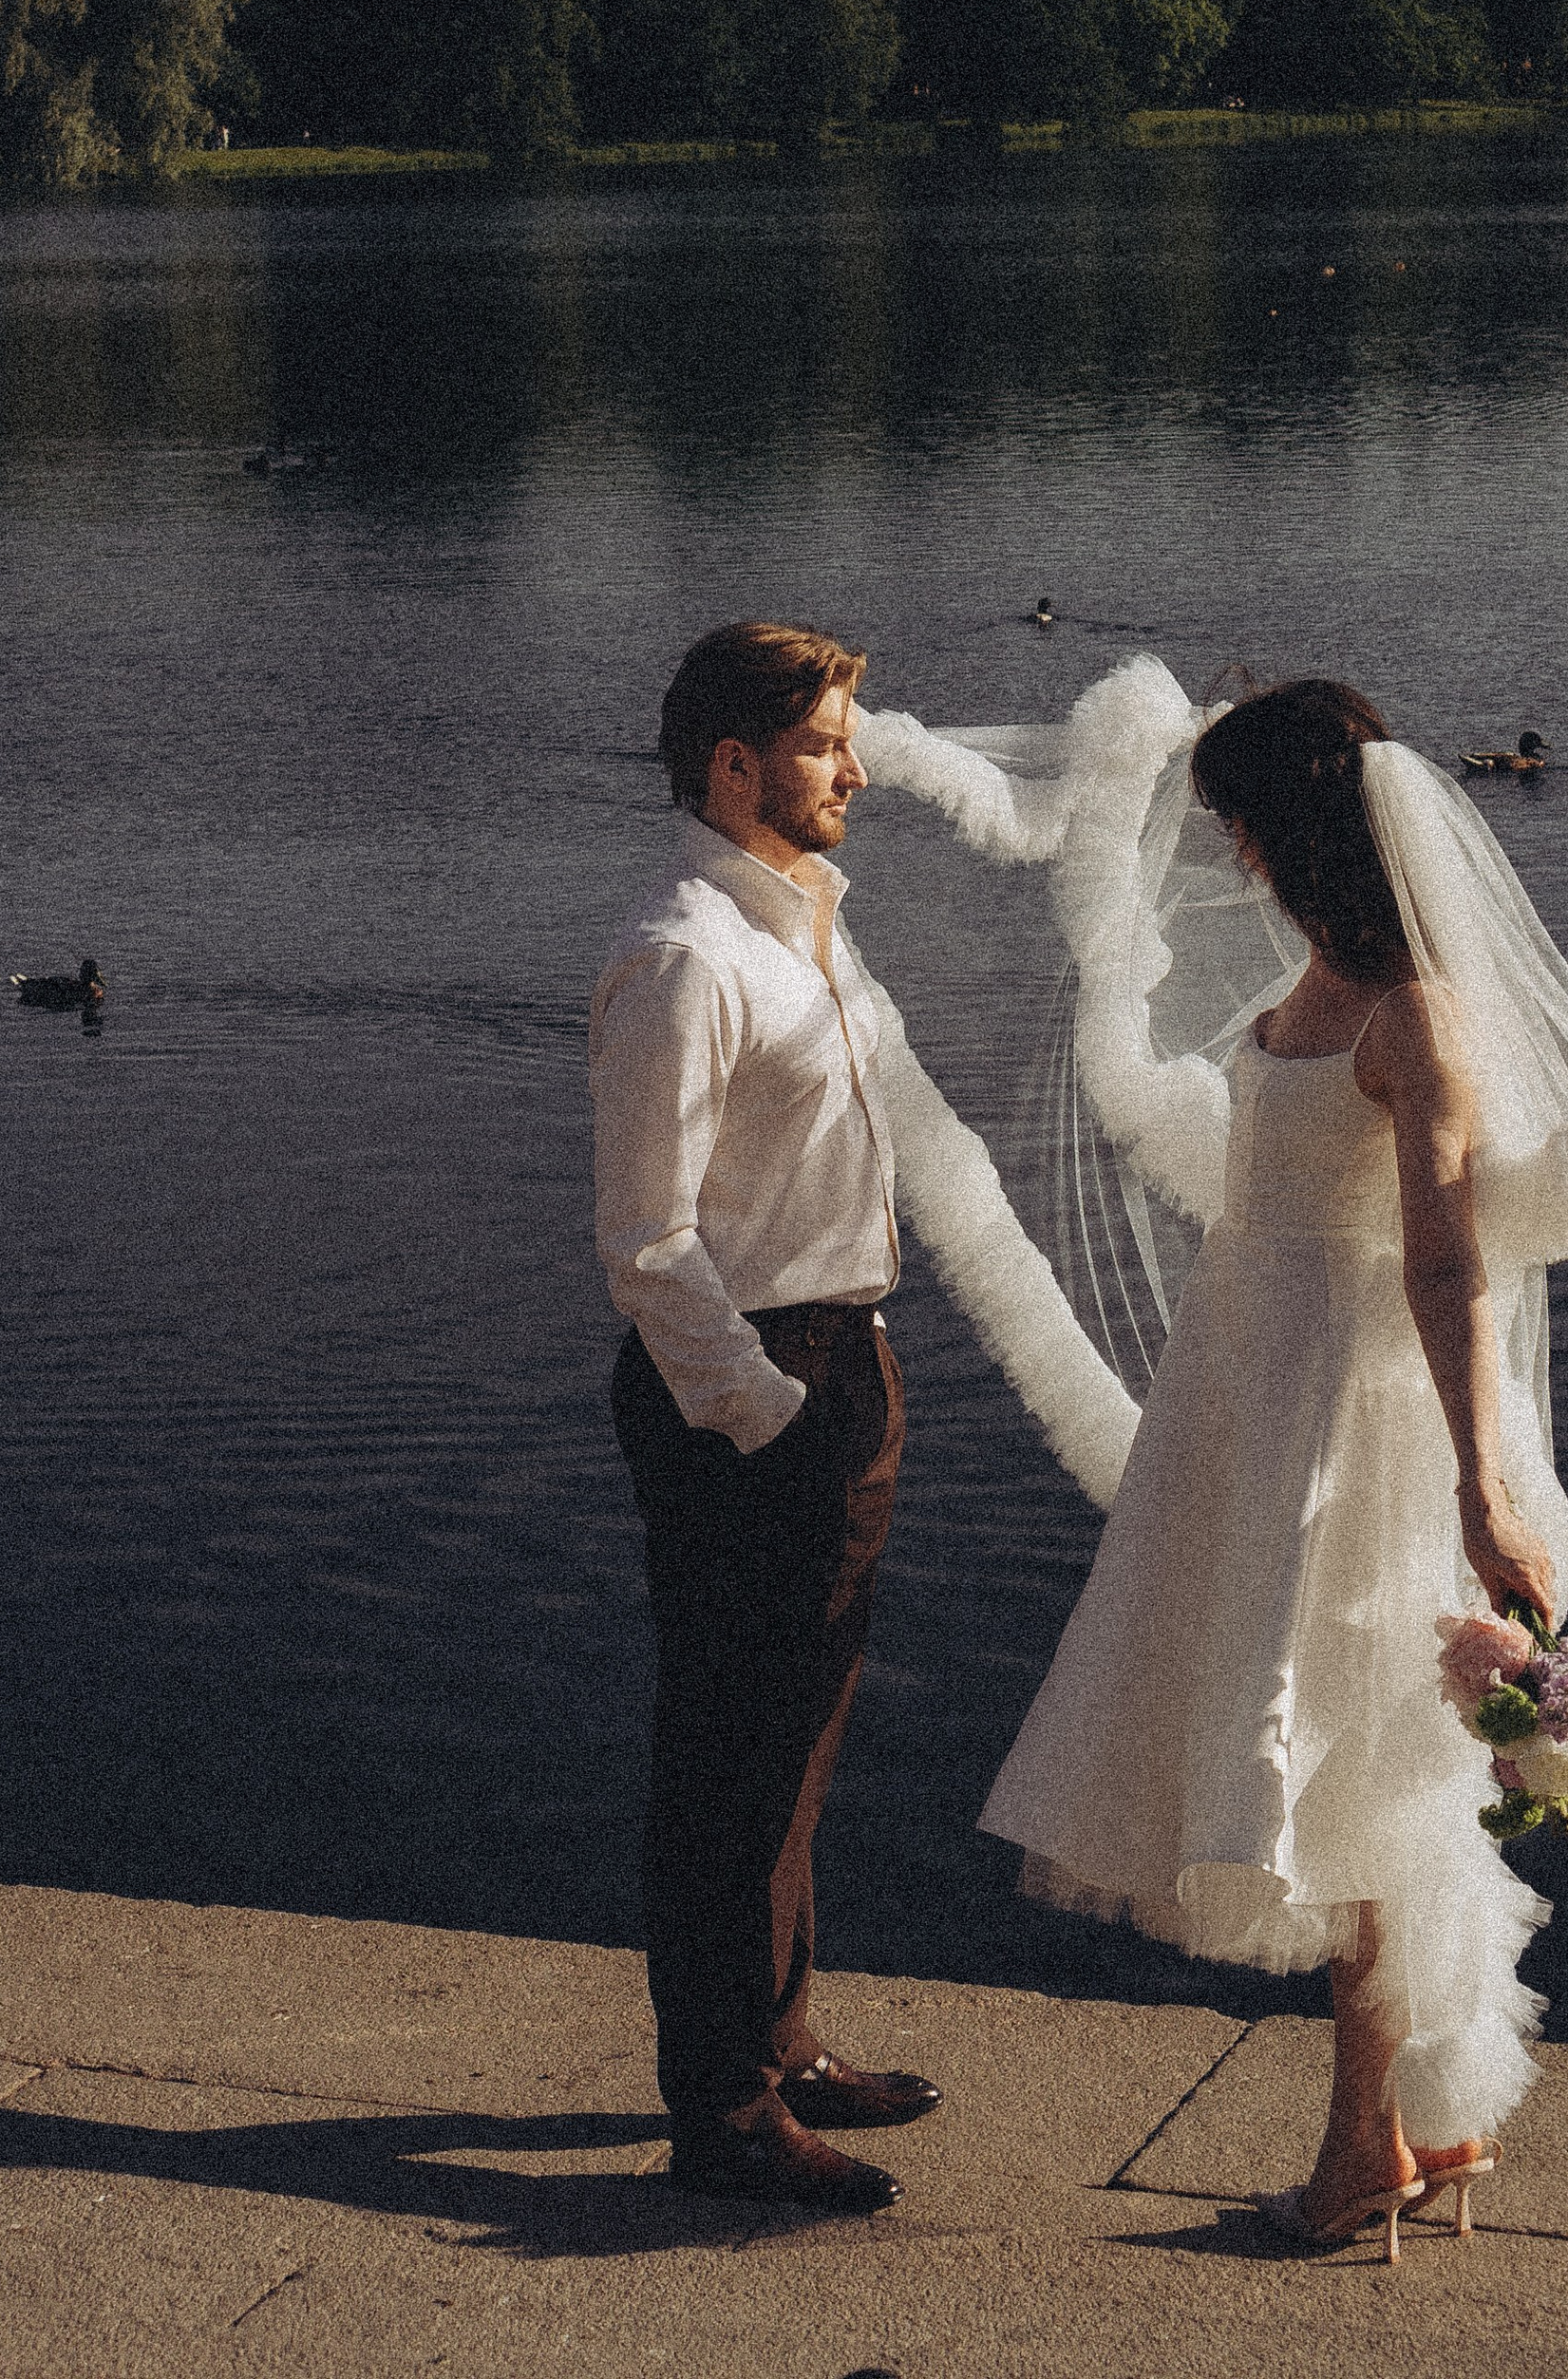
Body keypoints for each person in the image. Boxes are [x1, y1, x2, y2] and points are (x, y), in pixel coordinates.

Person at [973, 675, 1568, 2260]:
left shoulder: (1415, 1017)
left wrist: (1482, 1487)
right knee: (1330, 1759)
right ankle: (1420, 2127)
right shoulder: (1322, 981)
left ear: (1298, 833)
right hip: (1249, 1395)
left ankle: (1360, 2150)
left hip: (1350, 1428)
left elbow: (1448, 1271)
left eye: (1242, 824)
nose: (1229, 854)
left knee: (1360, 1774)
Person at [591, 621, 940, 2213]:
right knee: (728, 1749)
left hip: (837, 1358)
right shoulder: (684, 957)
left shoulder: (807, 928)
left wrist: (845, 1381)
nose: (857, 770)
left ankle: (779, 2039)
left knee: (799, 1740)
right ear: (735, 766)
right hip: (748, 1386)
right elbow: (647, 1243)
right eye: (825, 744)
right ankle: (719, 2111)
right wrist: (772, 1413)